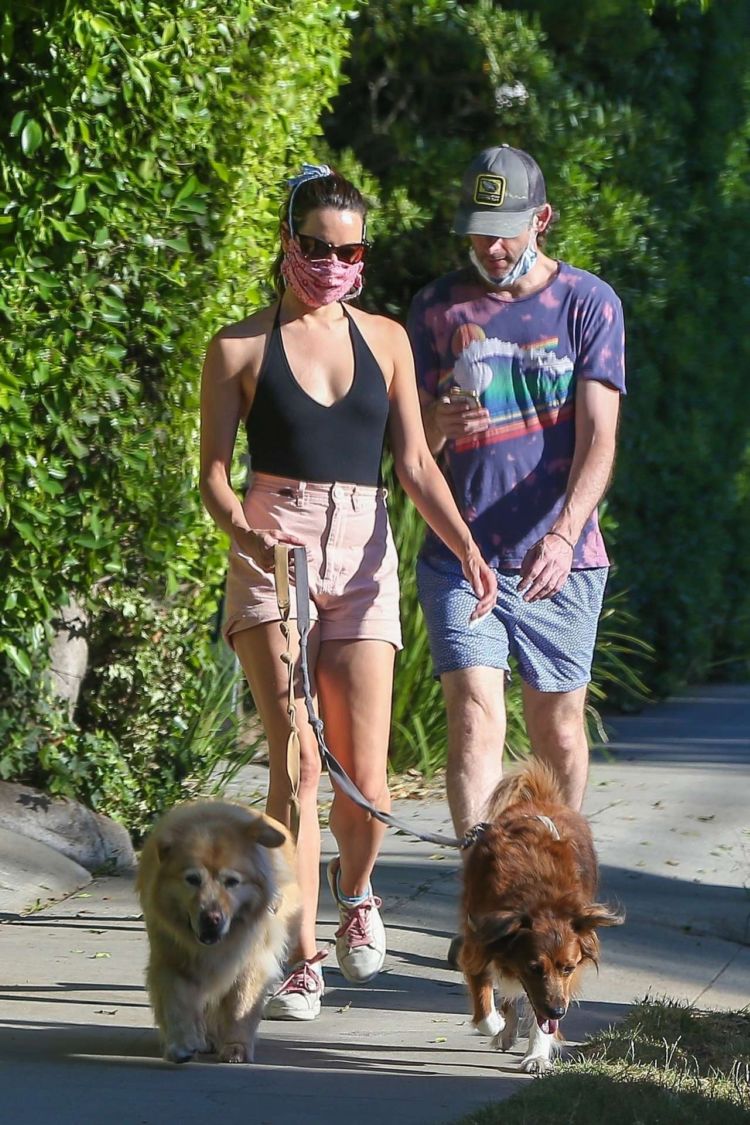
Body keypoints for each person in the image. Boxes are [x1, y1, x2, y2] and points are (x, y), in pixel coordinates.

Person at [199, 163, 497, 1020]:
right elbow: (214, 475)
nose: (333, 263)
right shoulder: (239, 346)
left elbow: (413, 464)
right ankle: (299, 954)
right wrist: (243, 529)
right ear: (289, 245)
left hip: (363, 551)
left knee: (366, 779)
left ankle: (354, 891)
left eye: (351, 249)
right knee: (295, 765)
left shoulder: (389, 339)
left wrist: (467, 547)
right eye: (317, 247)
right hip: (274, 549)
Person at [407, 144, 625, 873]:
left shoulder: (589, 304)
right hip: (461, 555)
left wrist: (564, 535)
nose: (491, 246)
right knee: (473, 715)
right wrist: (439, 419)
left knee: (557, 728)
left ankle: (557, 878)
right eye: (477, 229)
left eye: (505, 229)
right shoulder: (437, 308)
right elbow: (410, 442)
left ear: (543, 220)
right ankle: (486, 889)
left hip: (558, 559)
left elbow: (600, 441)